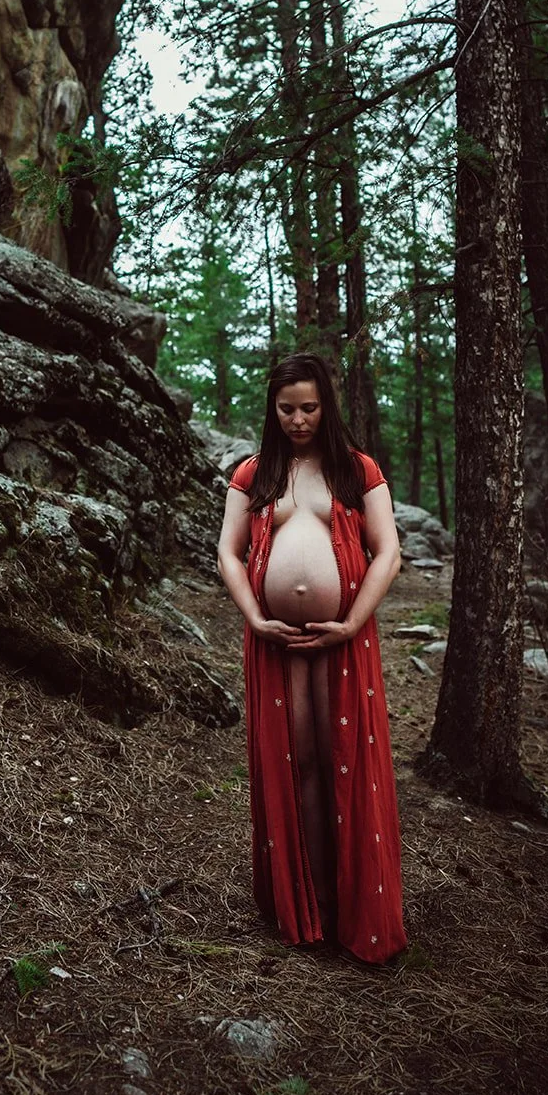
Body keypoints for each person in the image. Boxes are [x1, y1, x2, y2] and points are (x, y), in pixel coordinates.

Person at [217, 352, 407, 964]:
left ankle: (351, 906)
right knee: (295, 764)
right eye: (286, 408)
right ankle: (310, 901)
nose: (299, 419)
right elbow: (228, 553)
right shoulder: (255, 474)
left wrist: (350, 622)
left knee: (339, 762)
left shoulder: (355, 470)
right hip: (274, 643)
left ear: (326, 405)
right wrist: (254, 617)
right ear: (272, 410)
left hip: (342, 638)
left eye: (309, 407)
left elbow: (388, 553)